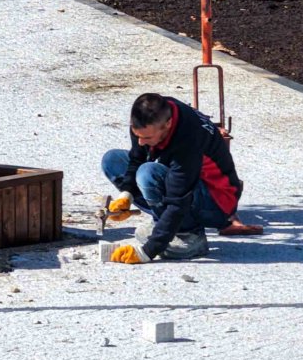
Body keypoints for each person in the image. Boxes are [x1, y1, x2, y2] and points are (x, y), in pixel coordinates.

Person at [100, 92, 256, 264]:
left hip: (216, 201)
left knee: (148, 173)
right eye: (137, 135)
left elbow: (178, 199)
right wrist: (126, 194)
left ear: (167, 125)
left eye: (147, 138)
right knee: (112, 160)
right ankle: (165, 225)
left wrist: (148, 251)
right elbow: (137, 157)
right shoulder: (150, 116)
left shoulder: (188, 137)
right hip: (188, 184)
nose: (141, 142)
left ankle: (190, 236)